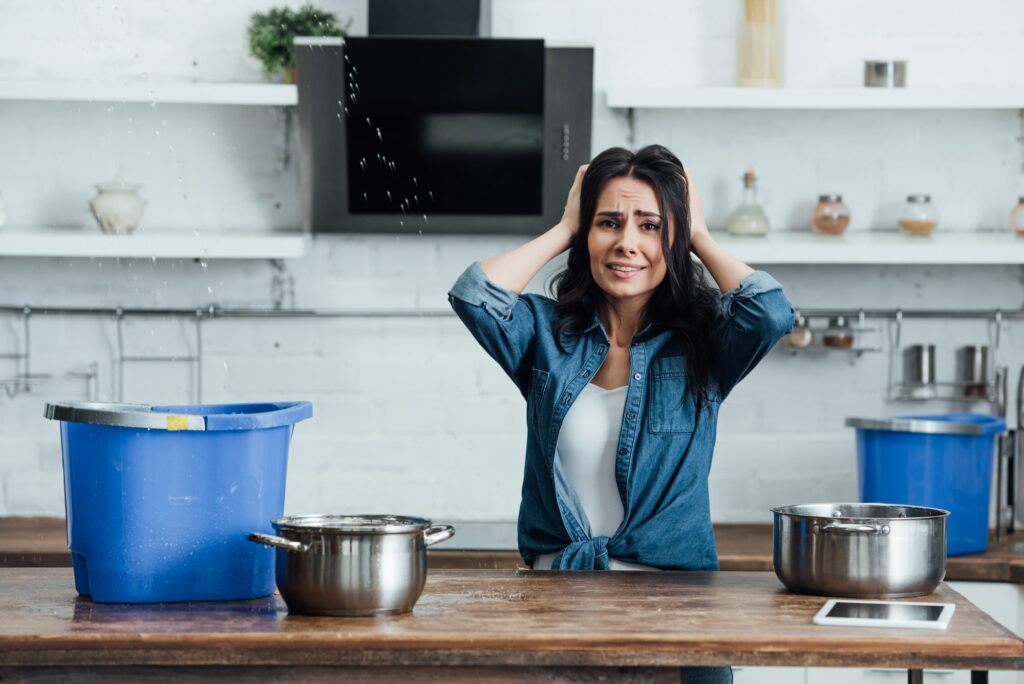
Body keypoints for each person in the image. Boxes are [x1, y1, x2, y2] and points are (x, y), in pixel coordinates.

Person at [448, 145, 795, 682]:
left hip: (677, 619)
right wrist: (565, 225)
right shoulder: (546, 337)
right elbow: (475, 295)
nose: (627, 243)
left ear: (672, 239)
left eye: (651, 225)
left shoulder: (705, 340)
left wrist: (697, 232)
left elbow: (770, 312)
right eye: (608, 223)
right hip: (558, 612)